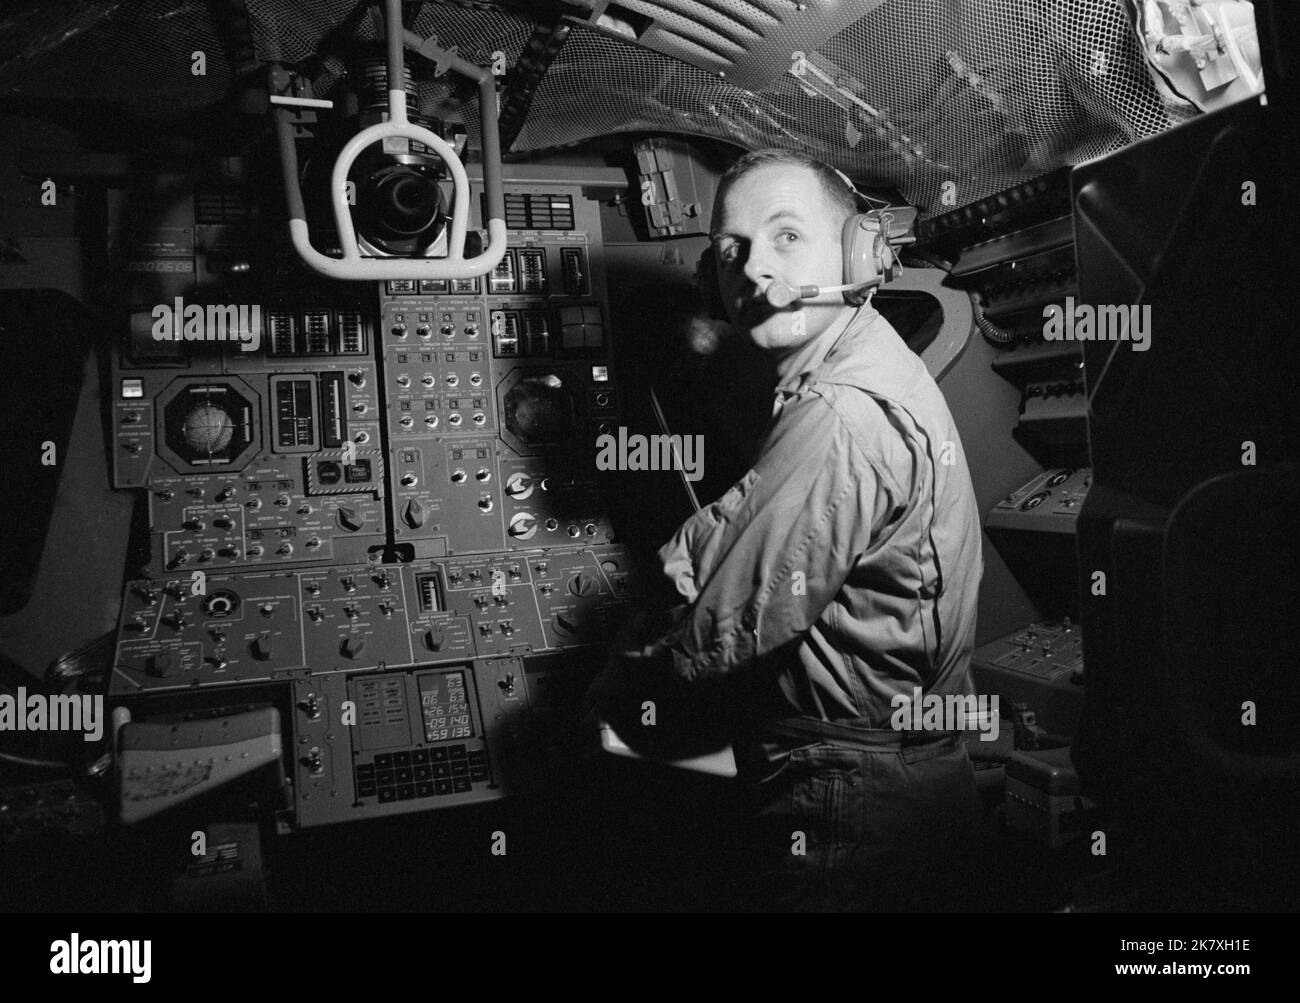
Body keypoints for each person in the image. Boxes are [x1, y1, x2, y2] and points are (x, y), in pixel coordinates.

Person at [594, 148, 986, 911]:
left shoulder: (840, 414)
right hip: (896, 774)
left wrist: (611, 696)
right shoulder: (858, 363)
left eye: (786, 237)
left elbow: (724, 616)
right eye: (731, 250)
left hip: (853, 795)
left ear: (861, 251)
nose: (753, 269)